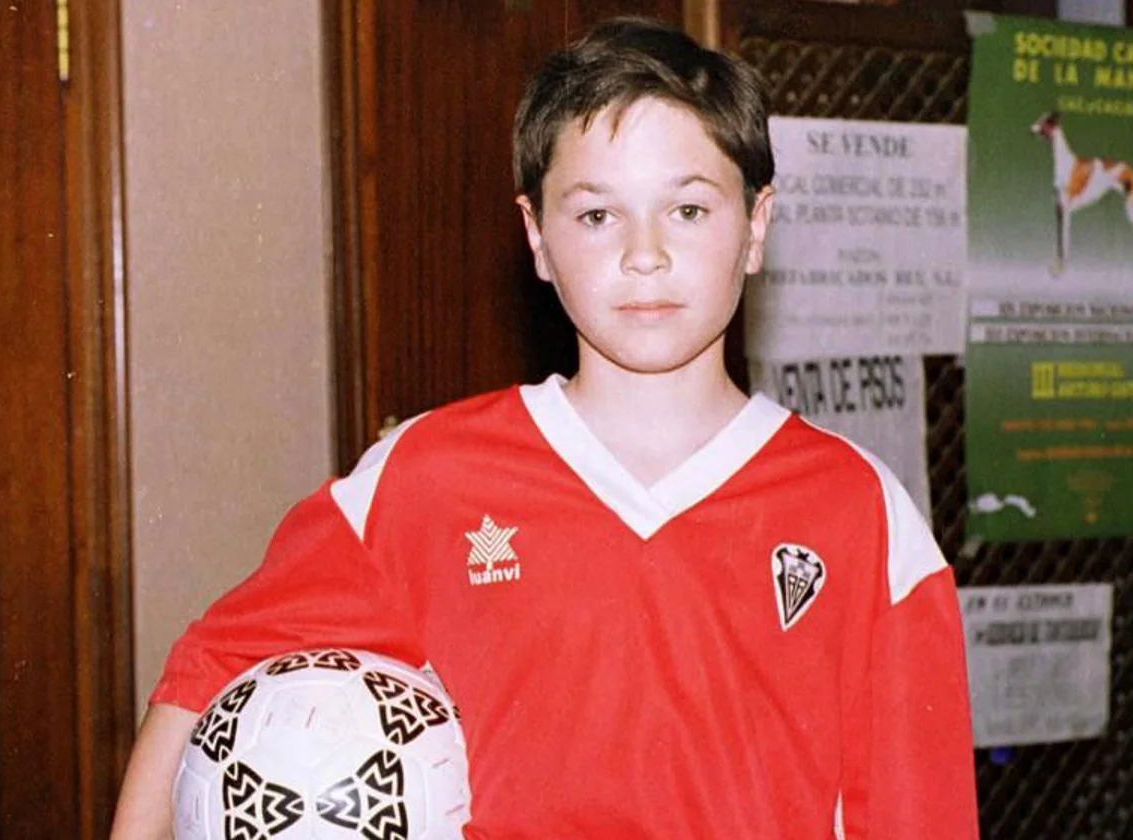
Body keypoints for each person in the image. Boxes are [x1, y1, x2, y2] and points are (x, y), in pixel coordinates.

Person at [111, 17, 978, 839]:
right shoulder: (429, 477)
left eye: (688, 210)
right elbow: (208, 667)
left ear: (756, 226)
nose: (645, 254)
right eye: (597, 215)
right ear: (537, 237)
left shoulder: (861, 512)